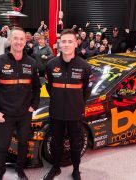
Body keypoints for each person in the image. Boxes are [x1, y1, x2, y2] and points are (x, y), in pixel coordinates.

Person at [0, 27, 41, 180]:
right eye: (15, 38)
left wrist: (33, 106)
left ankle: (20, 169)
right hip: (5, 114)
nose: (18, 42)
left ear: (26, 41)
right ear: (10, 40)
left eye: (21, 39)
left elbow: (37, 87)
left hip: (24, 114)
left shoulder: (32, 63)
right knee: (3, 146)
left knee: (23, 144)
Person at [43, 29, 92, 180]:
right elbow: (49, 87)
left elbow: (87, 91)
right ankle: (55, 167)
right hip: (56, 112)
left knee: (75, 143)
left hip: (75, 113)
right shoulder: (51, 65)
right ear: (59, 43)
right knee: (56, 142)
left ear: (76, 43)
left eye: (70, 41)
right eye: (63, 41)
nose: (66, 44)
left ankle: (76, 170)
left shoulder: (85, 66)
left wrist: (76, 104)